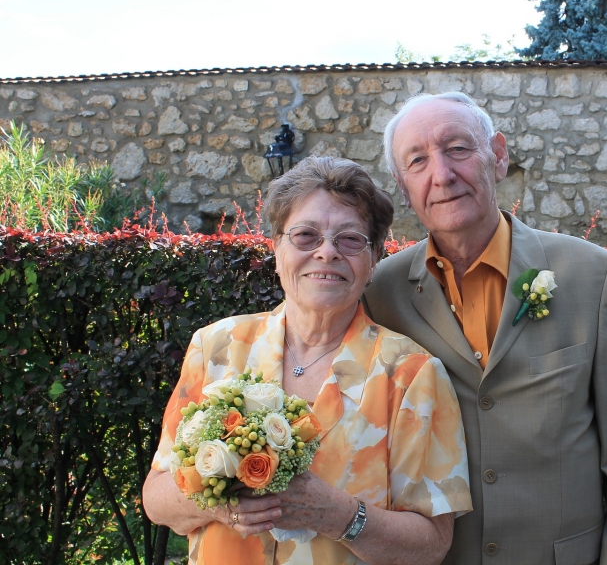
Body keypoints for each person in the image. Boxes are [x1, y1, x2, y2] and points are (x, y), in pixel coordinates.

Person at [362, 92, 607, 564]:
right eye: (417, 161)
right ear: (403, 187)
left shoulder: (592, 276)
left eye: (458, 148)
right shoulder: (381, 293)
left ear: (498, 156)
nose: (442, 174)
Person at [143, 156, 472, 565]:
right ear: (277, 248)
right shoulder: (216, 347)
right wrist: (221, 502)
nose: (327, 252)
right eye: (305, 236)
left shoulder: (411, 374)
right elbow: (156, 498)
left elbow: (431, 545)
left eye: (350, 239)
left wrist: (338, 516)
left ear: (373, 259)